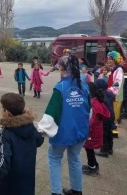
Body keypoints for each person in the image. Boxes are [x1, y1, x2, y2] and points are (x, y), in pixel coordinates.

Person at [38, 55, 90, 195]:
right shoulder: (83, 86)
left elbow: (51, 113)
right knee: (75, 158)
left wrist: (41, 130)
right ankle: (77, 190)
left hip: (63, 133)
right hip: (81, 131)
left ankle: (56, 192)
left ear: (61, 67)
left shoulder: (60, 88)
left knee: (54, 159)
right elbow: (87, 109)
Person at [0, 93, 44, 195]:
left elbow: (2, 160)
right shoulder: (30, 126)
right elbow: (39, 140)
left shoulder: (5, 133)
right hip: (27, 181)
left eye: (2, 108)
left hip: (9, 185)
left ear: (7, 112)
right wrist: (42, 132)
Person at [82, 81, 110, 176]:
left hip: (91, 132)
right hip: (95, 130)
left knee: (89, 149)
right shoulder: (96, 100)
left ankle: (92, 168)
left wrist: (86, 132)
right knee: (89, 149)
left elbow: (91, 120)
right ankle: (94, 164)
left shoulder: (93, 104)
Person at [95, 79, 115, 158]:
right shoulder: (110, 93)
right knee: (109, 133)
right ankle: (110, 149)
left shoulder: (101, 95)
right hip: (111, 116)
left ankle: (104, 150)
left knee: (104, 134)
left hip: (105, 117)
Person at [106, 51, 124, 130]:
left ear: (115, 60)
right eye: (108, 58)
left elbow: (117, 83)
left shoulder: (119, 70)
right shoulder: (114, 69)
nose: (108, 60)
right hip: (111, 95)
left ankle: (114, 131)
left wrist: (110, 91)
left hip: (115, 96)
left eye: (110, 59)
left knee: (114, 115)